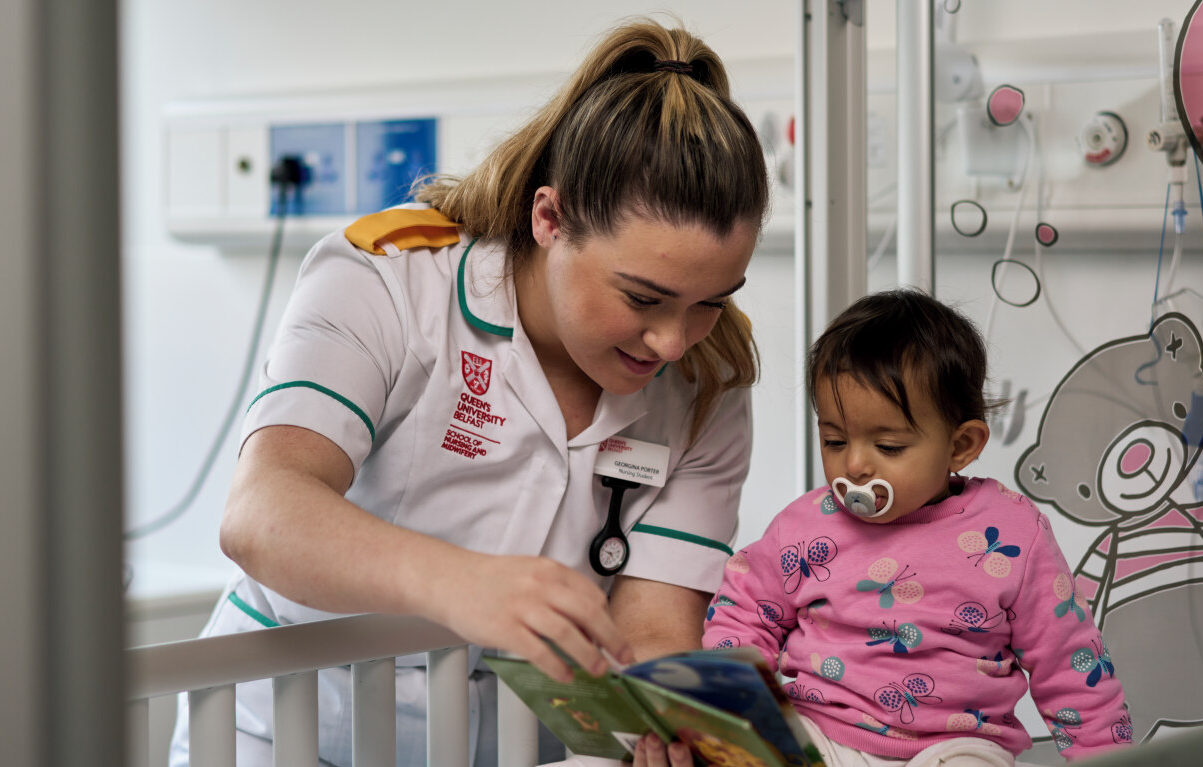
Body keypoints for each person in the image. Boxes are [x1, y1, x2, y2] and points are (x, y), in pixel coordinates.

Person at [169, 17, 768, 767]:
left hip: (516, 745)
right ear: (549, 218)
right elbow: (263, 511)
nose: (674, 341)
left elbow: (651, 628)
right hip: (292, 726)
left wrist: (670, 722)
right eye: (643, 298)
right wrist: (464, 585)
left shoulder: (708, 383)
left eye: (710, 299)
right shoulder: (388, 283)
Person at [701, 290, 1132, 766]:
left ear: (961, 445)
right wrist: (733, 704)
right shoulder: (804, 527)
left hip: (956, 748)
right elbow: (743, 614)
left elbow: (1070, 665)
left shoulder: (1012, 535)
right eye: (835, 440)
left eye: (888, 446)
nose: (856, 464)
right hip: (820, 734)